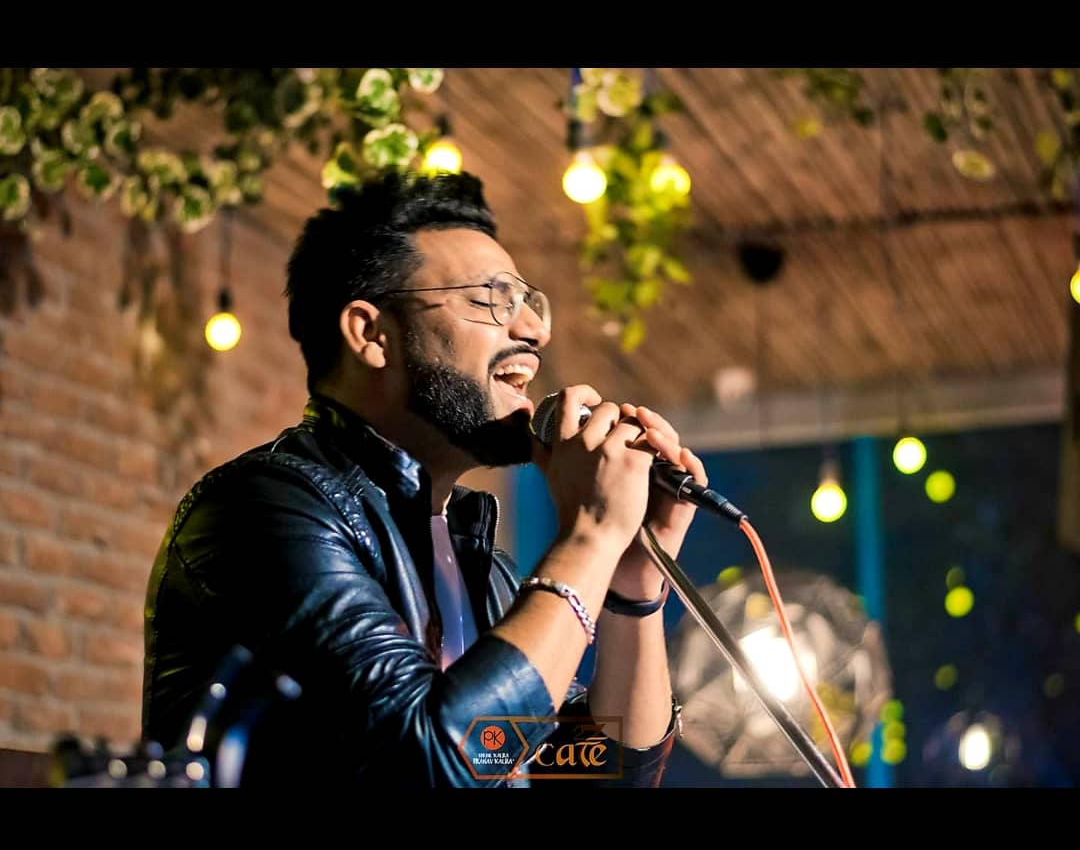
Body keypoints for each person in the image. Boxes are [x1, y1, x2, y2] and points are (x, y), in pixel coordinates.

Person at [141, 170, 707, 786]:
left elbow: (598, 774)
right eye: (489, 298)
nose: (535, 330)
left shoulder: (483, 569)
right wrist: (591, 535)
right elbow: (427, 762)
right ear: (371, 334)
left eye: (528, 303)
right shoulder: (263, 510)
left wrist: (632, 582)